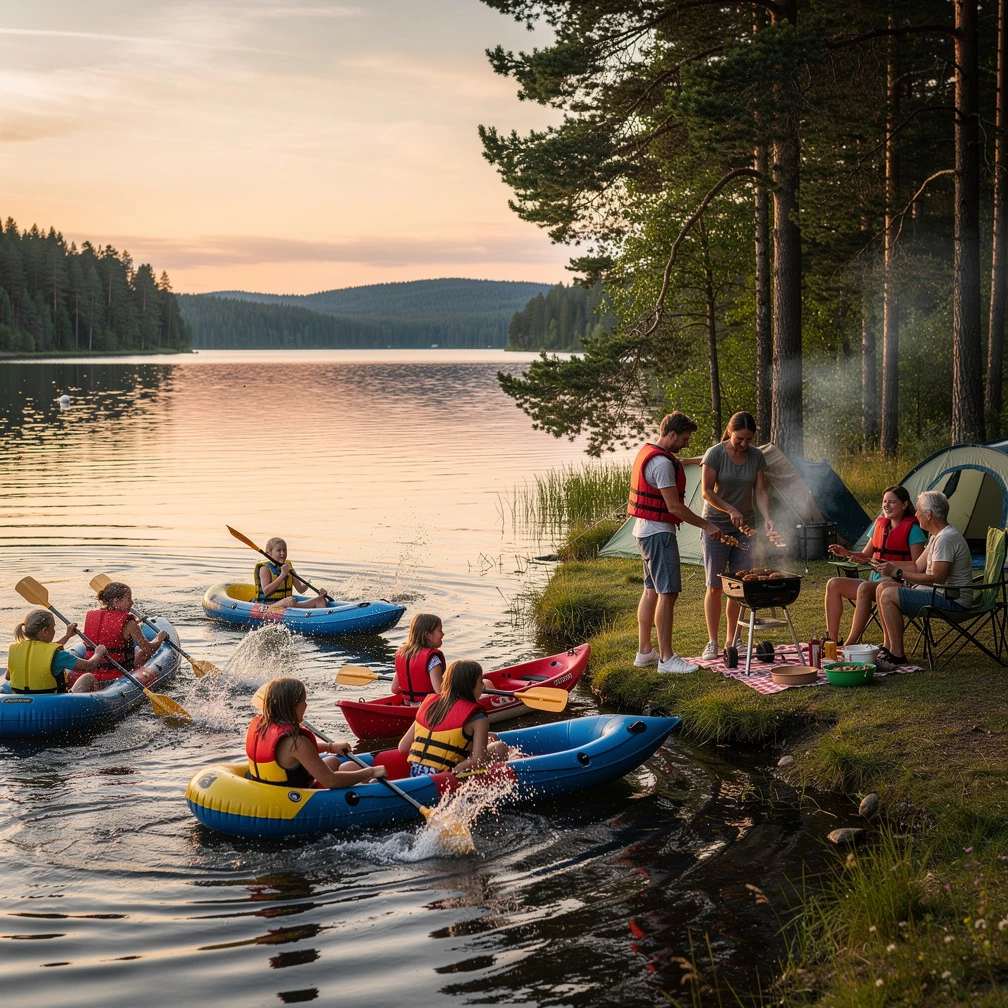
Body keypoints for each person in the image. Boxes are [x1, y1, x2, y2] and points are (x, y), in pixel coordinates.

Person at [629, 411, 727, 675]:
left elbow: (681, 461)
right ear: (671, 434)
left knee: (651, 590)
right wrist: (707, 524)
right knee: (668, 593)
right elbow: (674, 507)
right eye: (684, 438)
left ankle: (645, 652)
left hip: (644, 531)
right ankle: (667, 659)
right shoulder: (661, 465)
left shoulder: (655, 454)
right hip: (659, 534)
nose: (686, 443)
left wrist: (707, 458)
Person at [698, 412, 778, 660]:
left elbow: (761, 492)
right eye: (740, 439)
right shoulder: (716, 454)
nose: (744, 444)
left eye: (748, 439)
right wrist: (730, 509)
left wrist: (767, 518)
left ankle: (734, 641)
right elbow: (706, 492)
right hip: (716, 527)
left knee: (739, 586)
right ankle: (712, 641)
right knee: (715, 586)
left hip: (746, 528)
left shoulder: (756, 456)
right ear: (730, 432)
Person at [871, 490, 974, 671]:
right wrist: (887, 565)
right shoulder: (936, 536)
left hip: (952, 600)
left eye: (918, 510)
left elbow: (937, 578)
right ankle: (888, 647)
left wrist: (897, 573)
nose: (916, 514)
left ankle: (897, 655)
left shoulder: (945, 539)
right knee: (882, 587)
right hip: (938, 594)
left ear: (929, 514)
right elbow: (918, 566)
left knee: (888, 594)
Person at [824, 485, 927, 645]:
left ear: (905, 504)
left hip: (899, 584)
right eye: (885, 501)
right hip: (875, 582)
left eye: (892, 502)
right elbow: (865, 556)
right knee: (834, 584)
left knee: (864, 588)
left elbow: (918, 566)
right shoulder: (879, 525)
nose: (886, 505)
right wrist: (847, 553)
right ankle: (831, 641)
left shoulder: (913, 531)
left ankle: (849, 645)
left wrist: (891, 566)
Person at [246, 677, 386, 789]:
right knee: (351, 767)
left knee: (332, 760)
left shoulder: (263, 727)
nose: (306, 705)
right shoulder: (297, 742)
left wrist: (330, 747)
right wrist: (371, 772)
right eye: (304, 701)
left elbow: (290, 755)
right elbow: (331, 781)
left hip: (275, 789)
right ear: (293, 706)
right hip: (298, 799)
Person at [399, 660, 509, 776]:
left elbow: (403, 747)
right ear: (470, 686)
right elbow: (478, 761)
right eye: (480, 681)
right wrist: (454, 770)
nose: (484, 685)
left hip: (415, 774)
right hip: (445, 779)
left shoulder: (429, 706)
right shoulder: (478, 717)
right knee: (500, 747)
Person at [5, 609, 109, 694]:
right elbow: (90, 665)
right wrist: (98, 653)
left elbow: (8, 677)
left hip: (21, 702)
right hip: (53, 704)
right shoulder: (58, 655)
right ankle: (100, 703)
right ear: (45, 631)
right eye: (53, 627)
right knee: (88, 677)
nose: (54, 631)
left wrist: (67, 636)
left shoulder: (15, 650)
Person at [84, 582, 169, 681]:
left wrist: (135, 625)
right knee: (140, 652)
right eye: (128, 599)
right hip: (118, 674)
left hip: (91, 672)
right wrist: (159, 638)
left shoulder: (91, 616)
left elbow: (108, 631)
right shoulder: (129, 623)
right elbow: (148, 649)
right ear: (116, 602)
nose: (132, 603)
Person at [254, 537, 329, 609]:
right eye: (278, 550)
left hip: (287, 603)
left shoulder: (288, 567)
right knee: (290, 601)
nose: (282, 553)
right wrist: (283, 574)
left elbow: (301, 589)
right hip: (266, 607)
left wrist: (313, 587)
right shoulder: (265, 568)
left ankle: (322, 619)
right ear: (269, 553)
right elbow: (266, 592)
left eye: (284, 550)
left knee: (320, 600)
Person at [392, 613, 446, 704]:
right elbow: (440, 691)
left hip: (408, 705)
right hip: (427, 709)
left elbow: (394, 689)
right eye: (440, 630)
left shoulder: (403, 655)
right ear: (428, 635)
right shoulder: (433, 659)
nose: (443, 634)